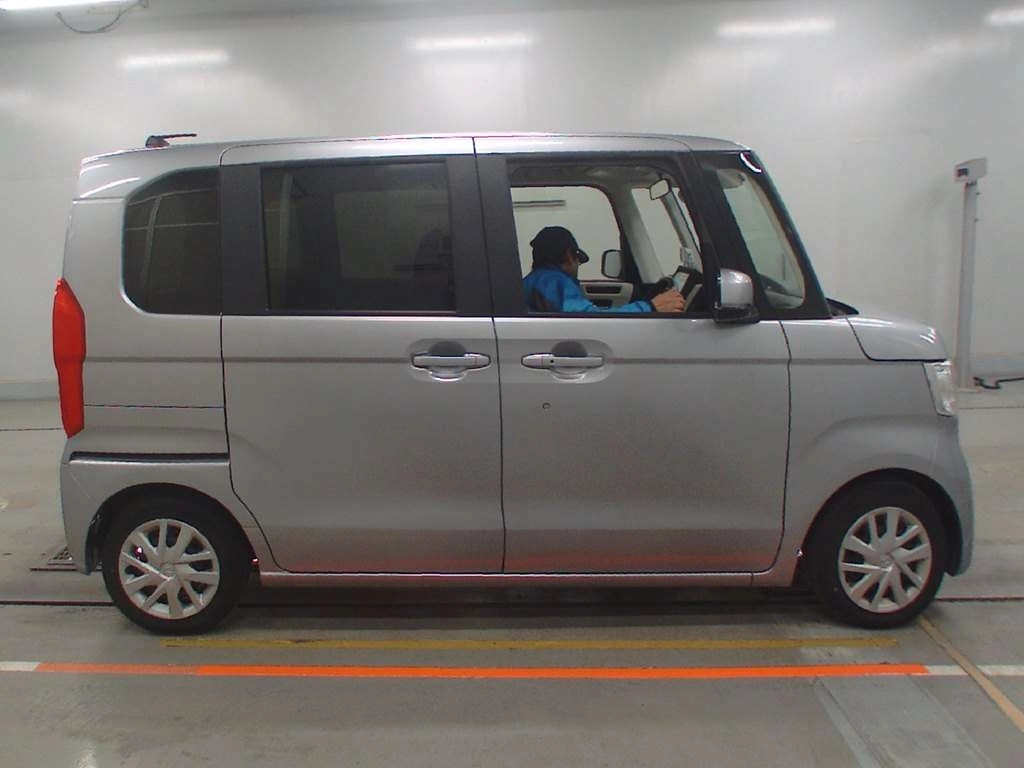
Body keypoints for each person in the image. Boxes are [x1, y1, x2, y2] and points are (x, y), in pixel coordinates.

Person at [523, 226, 685, 313]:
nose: (578, 265)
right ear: (569, 255)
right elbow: (590, 320)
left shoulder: (534, 281)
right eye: (578, 259)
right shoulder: (555, 282)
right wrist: (651, 307)